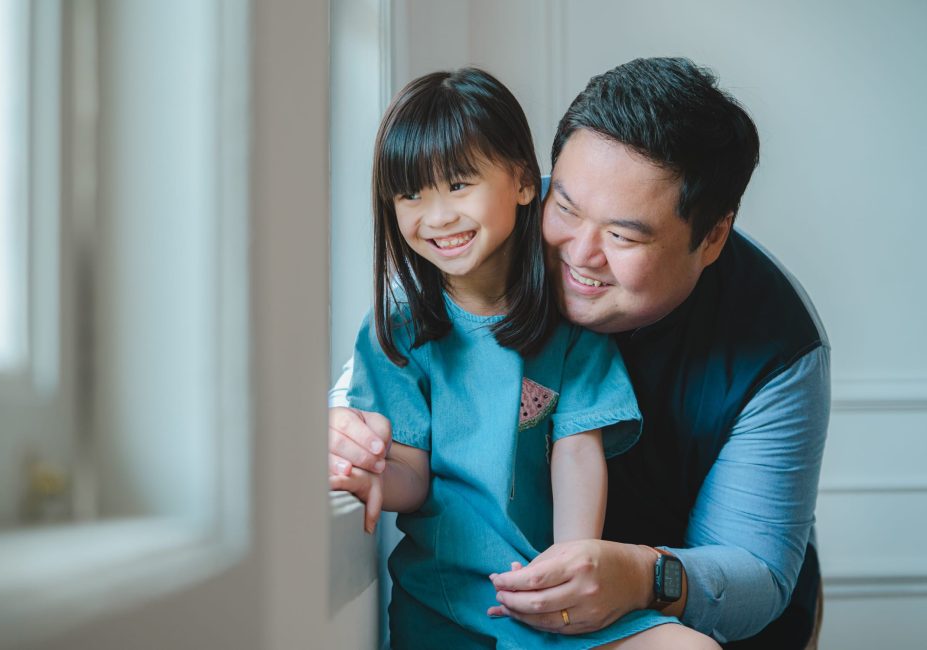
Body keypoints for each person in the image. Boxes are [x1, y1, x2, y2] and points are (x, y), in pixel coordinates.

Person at [329, 57, 829, 649]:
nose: (578, 253)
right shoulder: (487, 224)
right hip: (489, 592)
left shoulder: (780, 345)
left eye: (623, 236)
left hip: (688, 613)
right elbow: (400, 351)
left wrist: (639, 574)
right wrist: (347, 429)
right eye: (563, 206)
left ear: (712, 236)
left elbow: (758, 571)